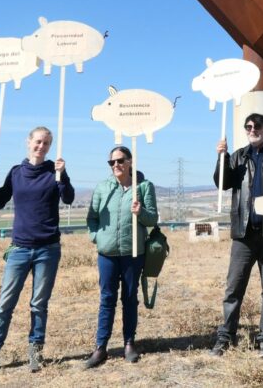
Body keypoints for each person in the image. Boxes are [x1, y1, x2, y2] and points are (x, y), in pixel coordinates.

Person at [0, 126, 75, 375]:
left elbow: (69, 199)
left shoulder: (54, 171)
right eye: (38, 142)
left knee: (39, 304)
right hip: (20, 248)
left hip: (48, 249)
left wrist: (62, 175)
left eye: (46, 143)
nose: (41, 146)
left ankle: (35, 351)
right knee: (5, 304)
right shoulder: (17, 172)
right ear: (28, 142)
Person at [210, 112, 263, 358]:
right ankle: (226, 335)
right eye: (248, 126)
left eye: (257, 125)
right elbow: (223, 183)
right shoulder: (238, 157)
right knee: (233, 287)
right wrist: (221, 157)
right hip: (243, 233)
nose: (252, 129)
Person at [84, 145, 159, 368]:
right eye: (112, 162)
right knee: (107, 298)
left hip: (133, 253)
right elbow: (92, 218)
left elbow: (152, 219)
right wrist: (97, 237)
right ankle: (101, 347)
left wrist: (141, 212)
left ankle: (129, 343)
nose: (115, 165)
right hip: (107, 253)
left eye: (120, 160)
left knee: (129, 298)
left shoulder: (144, 187)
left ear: (130, 161)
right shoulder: (102, 188)